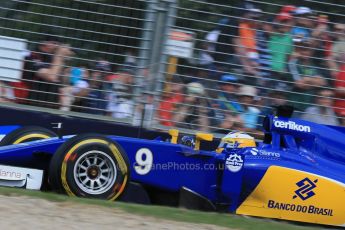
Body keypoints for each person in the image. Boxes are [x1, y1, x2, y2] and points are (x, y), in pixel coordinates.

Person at [22, 35, 74, 108]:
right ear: (44, 43)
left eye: (58, 44)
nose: (57, 47)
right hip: (33, 105)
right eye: (54, 43)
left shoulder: (52, 59)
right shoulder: (32, 57)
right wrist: (59, 56)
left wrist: (64, 60)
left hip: (50, 106)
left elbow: (61, 82)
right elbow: (51, 77)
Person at [288, 40, 326, 111]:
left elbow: (322, 82)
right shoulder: (293, 63)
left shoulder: (313, 65)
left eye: (308, 50)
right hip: (295, 106)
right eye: (303, 49)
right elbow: (300, 84)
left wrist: (307, 79)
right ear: (298, 51)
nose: (305, 52)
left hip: (309, 107)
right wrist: (314, 81)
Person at [268, 12, 294, 88]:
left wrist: (285, 67)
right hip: (267, 70)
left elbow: (288, 56)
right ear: (277, 22)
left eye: (287, 22)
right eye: (282, 21)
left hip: (281, 73)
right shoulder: (270, 35)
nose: (284, 24)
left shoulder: (289, 38)